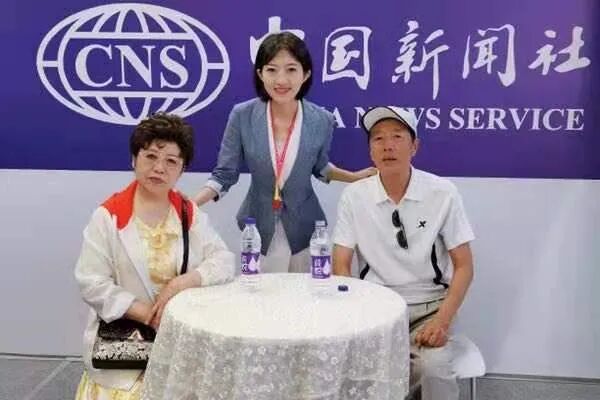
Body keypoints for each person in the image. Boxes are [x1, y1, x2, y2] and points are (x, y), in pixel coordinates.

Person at [74, 113, 235, 399]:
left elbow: (223, 260)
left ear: (182, 169)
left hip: (180, 341)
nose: (159, 168)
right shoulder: (108, 216)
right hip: (125, 348)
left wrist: (183, 282)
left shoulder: (188, 212)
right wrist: (147, 314)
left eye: (171, 161)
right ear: (133, 159)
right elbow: (92, 283)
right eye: (150, 156)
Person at [193, 32, 375, 273]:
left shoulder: (322, 120)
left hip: (305, 228)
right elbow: (225, 173)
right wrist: (191, 204)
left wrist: (353, 177)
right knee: (262, 292)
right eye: (272, 70)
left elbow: (320, 167)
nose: (281, 80)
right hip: (258, 226)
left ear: (305, 74)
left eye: (291, 69)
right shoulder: (242, 115)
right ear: (260, 73)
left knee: (306, 292)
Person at [332, 106, 475, 400]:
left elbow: (464, 266)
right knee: (353, 369)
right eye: (378, 138)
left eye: (397, 136)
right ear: (370, 151)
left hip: (428, 307)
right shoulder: (354, 196)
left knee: (433, 368)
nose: (388, 145)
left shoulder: (443, 193)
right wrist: (354, 312)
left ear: (414, 147)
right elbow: (341, 263)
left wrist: (442, 321)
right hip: (375, 306)